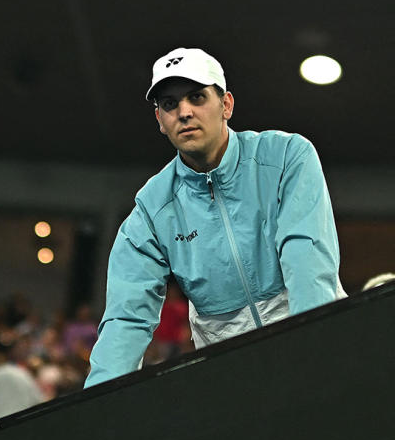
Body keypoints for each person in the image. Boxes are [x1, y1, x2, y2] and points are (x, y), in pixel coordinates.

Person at [86, 47, 344, 387]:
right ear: (160, 121)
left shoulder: (286, 156)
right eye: (169, 104)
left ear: (226, 105)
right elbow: (125, 318)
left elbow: (307, 259)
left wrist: (314, 352)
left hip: (311, 339)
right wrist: (99, 408)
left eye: (196, 96)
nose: (184, 112)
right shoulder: (151, 209)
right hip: (229, 371)